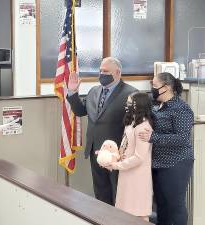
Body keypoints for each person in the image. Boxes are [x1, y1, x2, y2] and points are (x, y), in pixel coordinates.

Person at [67, 57, 137, 205]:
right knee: (100, 191)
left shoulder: (131, 93)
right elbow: (80, 111)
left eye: (105, 71)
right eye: (100, 70)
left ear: (117, 73)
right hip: (95, 150)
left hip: (117, 153)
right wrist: (73, 93)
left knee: (118, 192)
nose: (101, 74)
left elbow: (135, 124)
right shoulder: (94, 91)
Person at [139, 72, 194, 225]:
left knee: (175, 206)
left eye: (155, 86)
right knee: (160, 206)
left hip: (176, 164)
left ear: (167, 87)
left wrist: (153, 137)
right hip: (157, 163)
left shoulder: (181, 108)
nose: (152, 89)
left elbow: (182, 139)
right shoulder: (156, 104)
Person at [105, 92, 153, 221]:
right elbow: (124, 146)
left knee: (139, 212)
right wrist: (111, 157)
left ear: (140, 105)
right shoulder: (131, 123)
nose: (127, 106)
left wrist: (116, 165)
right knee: (125, 212)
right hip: (126, 172)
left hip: (137, 176)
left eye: (131, 103)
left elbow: (139, 157)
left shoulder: (143, 127)